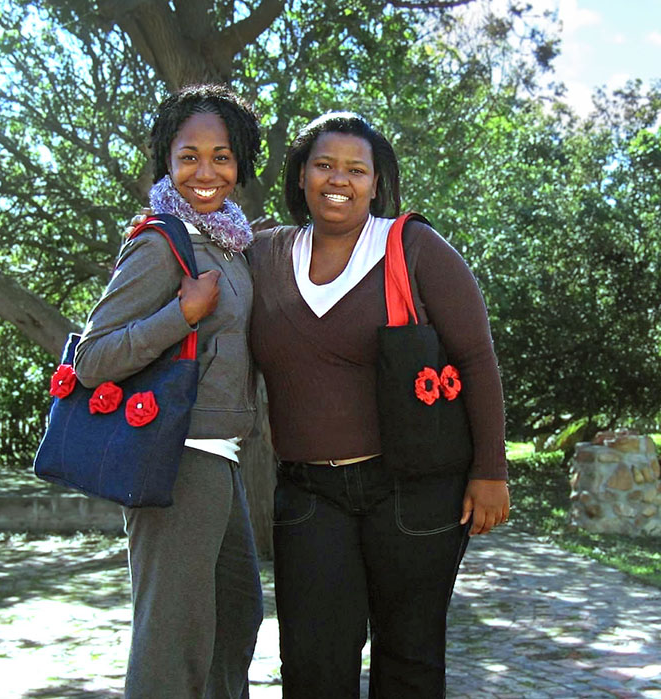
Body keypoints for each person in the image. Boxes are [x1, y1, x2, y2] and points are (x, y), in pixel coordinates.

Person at [248, 112, 510, 698]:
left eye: (355, 169)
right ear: (300, 176)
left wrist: (491, 470)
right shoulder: (263, 255)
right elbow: (199, 249)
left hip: (413, 492)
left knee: (409, 658)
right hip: (309, 493)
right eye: (324, 165)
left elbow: (476, 358)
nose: (338, 179)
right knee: (313, 665)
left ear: (375, 181)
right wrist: (158, 224)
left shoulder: (413, 246)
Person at [72, 84, 264, 699]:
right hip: (175, 455)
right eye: (188, 156)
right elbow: (93, 359)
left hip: (221, 456)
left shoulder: (231, 244)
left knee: (237, 615)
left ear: (240, 163)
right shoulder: (161, 242)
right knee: (172, 641)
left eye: (221, 156)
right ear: (166, 160)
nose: (204, 171)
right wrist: (178, 316)